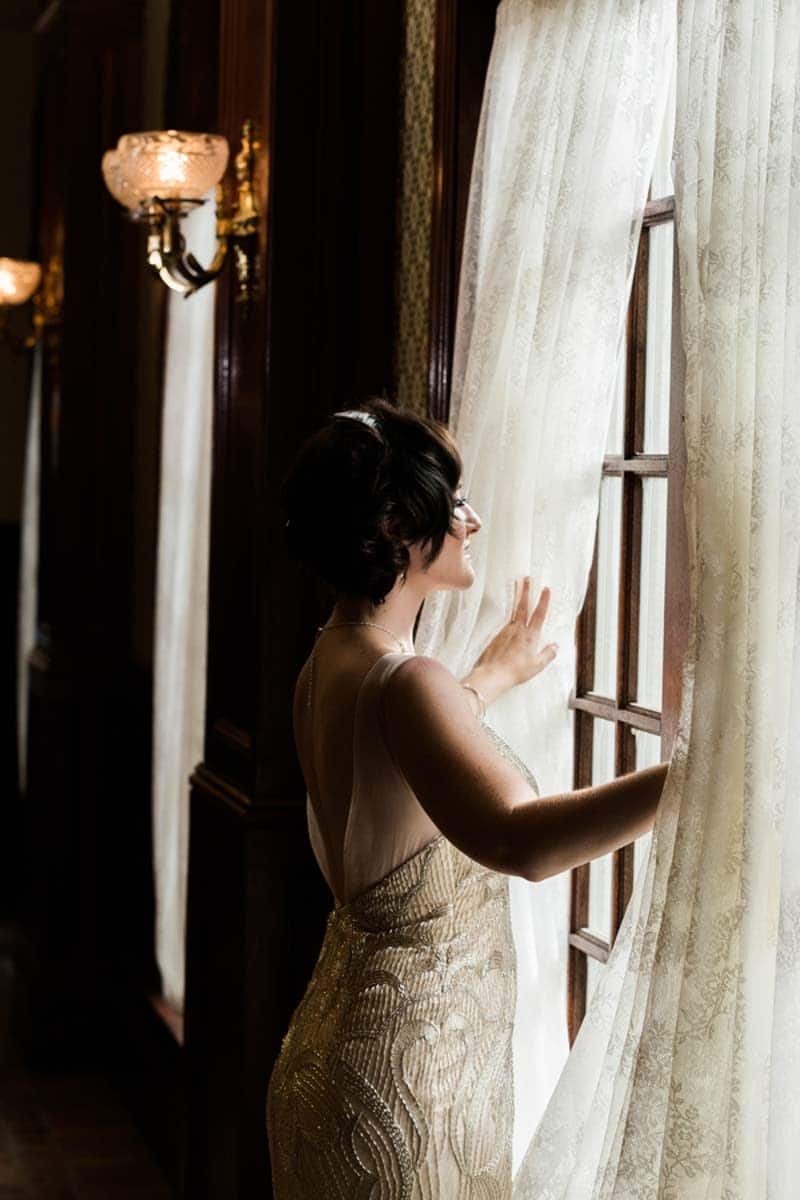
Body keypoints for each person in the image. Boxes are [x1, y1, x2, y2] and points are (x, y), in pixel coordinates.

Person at [267, 399, 666, 1197]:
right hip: (411, 1085)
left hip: (341, 1060)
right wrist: (691, 774)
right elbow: (521, 841)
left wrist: (482, 681)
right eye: (450, 504)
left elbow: (400, 772)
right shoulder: (409, 681)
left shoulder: (331, 661)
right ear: (390, 528)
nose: (472, 520)